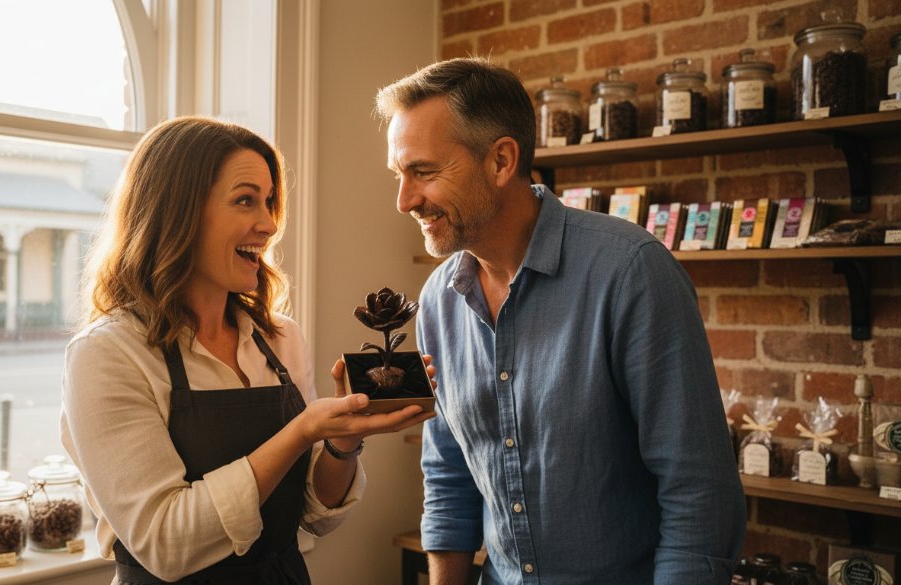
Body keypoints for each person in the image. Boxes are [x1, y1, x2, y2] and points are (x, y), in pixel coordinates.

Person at [374, 58, 745, 585]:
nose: (404, 200)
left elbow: (698, 493)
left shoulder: (630, 272)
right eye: (399, 174)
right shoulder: (437, 301)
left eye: (424, 172)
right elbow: (450, 475)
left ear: (501, 161)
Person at [61, 116, 435, 585]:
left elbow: (316, 517)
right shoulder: (109, 355)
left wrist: (341, 441)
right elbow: (163, 542)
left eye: (270, 201)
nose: (269, 223)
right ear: (176, 212)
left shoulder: (280, 340)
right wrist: (300, 432)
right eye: (245, 201)